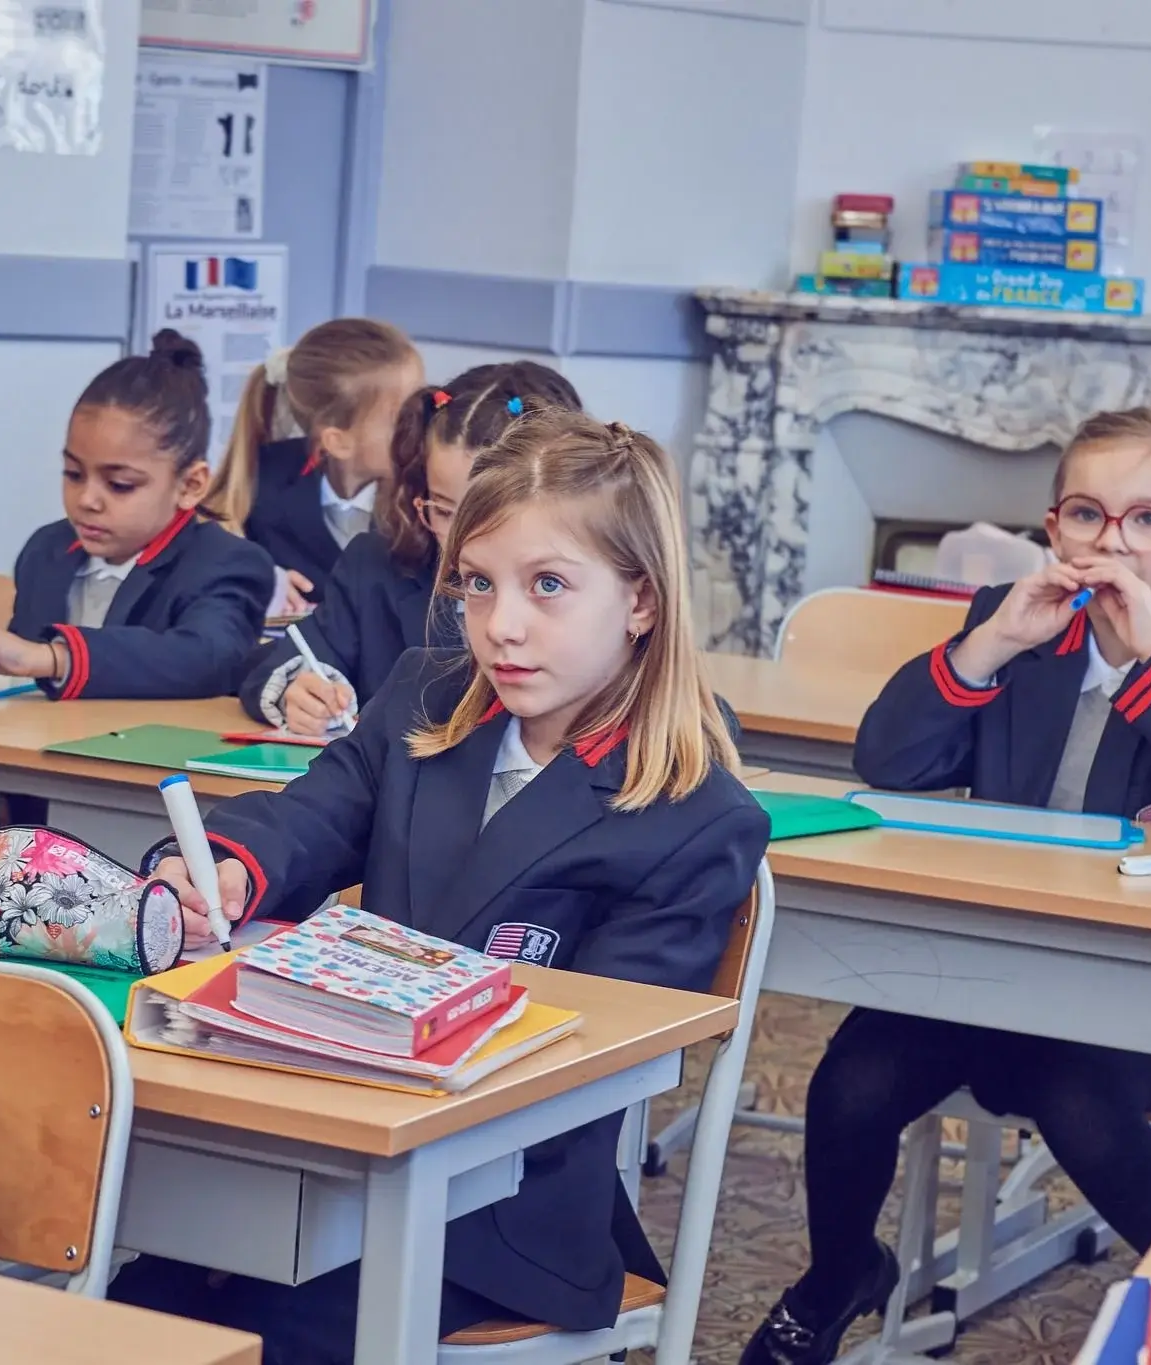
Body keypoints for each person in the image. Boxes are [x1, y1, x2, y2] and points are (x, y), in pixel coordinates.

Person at [116, 409, 768, 1362]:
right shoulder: (427, 696)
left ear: (641, 601)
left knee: (286, 1339)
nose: (501, 625)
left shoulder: (697, 818)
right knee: (137, 1307)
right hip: (333, 1143)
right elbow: (310, 815)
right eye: (477, 583)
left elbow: (594, 1057)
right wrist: (221, 865)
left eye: (548, 586)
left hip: (501, 1204)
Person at [741, 408, 1151, 1365]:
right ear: (1054, 528)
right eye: (1087, 515)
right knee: (849, 1080)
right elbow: (889, 760)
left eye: (1145, 521)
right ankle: (839, 1269)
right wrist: (989, 643)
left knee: (1075, 1096)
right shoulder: (1014, 624)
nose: (1109, 543)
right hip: (994, 966)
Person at [236, 361, 584, 734]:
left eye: (489, 514)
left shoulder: (591, 591)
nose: (464, 536)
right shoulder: (378, 567)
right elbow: (279, 662)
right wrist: (299, 690)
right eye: (444, 510)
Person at [0, 331, 273, 699]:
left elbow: (207, 658)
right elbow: (25, 684)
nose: (88, 500)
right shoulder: (47, 549)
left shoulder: (227, 563)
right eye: (73, 474)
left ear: (190, 485)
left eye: (120, 484)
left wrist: (56, 658)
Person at [206, 318, 424, 612]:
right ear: (337, 442)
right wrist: (258, 580)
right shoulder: (266, 482)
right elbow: (202, 547)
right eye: (402, 418)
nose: (423, 427)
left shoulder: (426, 496)